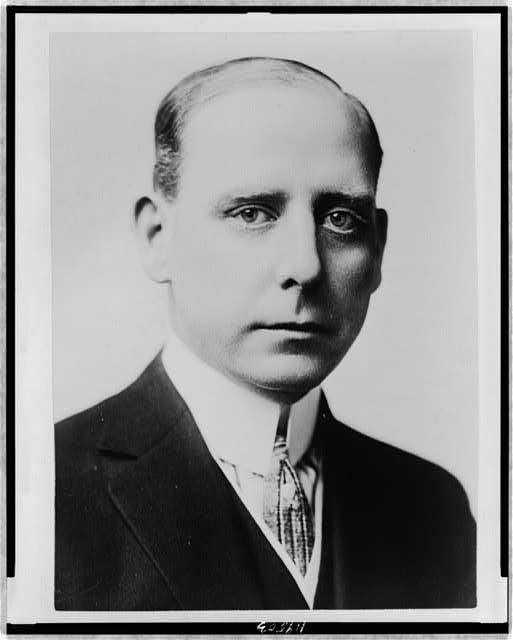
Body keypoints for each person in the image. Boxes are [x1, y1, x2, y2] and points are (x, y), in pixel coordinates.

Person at [54, 56, 476, 610]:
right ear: (158, 237)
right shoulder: (48, 492)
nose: (304, 265)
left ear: (377, 251)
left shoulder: (432, 507)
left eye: (341, 219)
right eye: (252, 213)